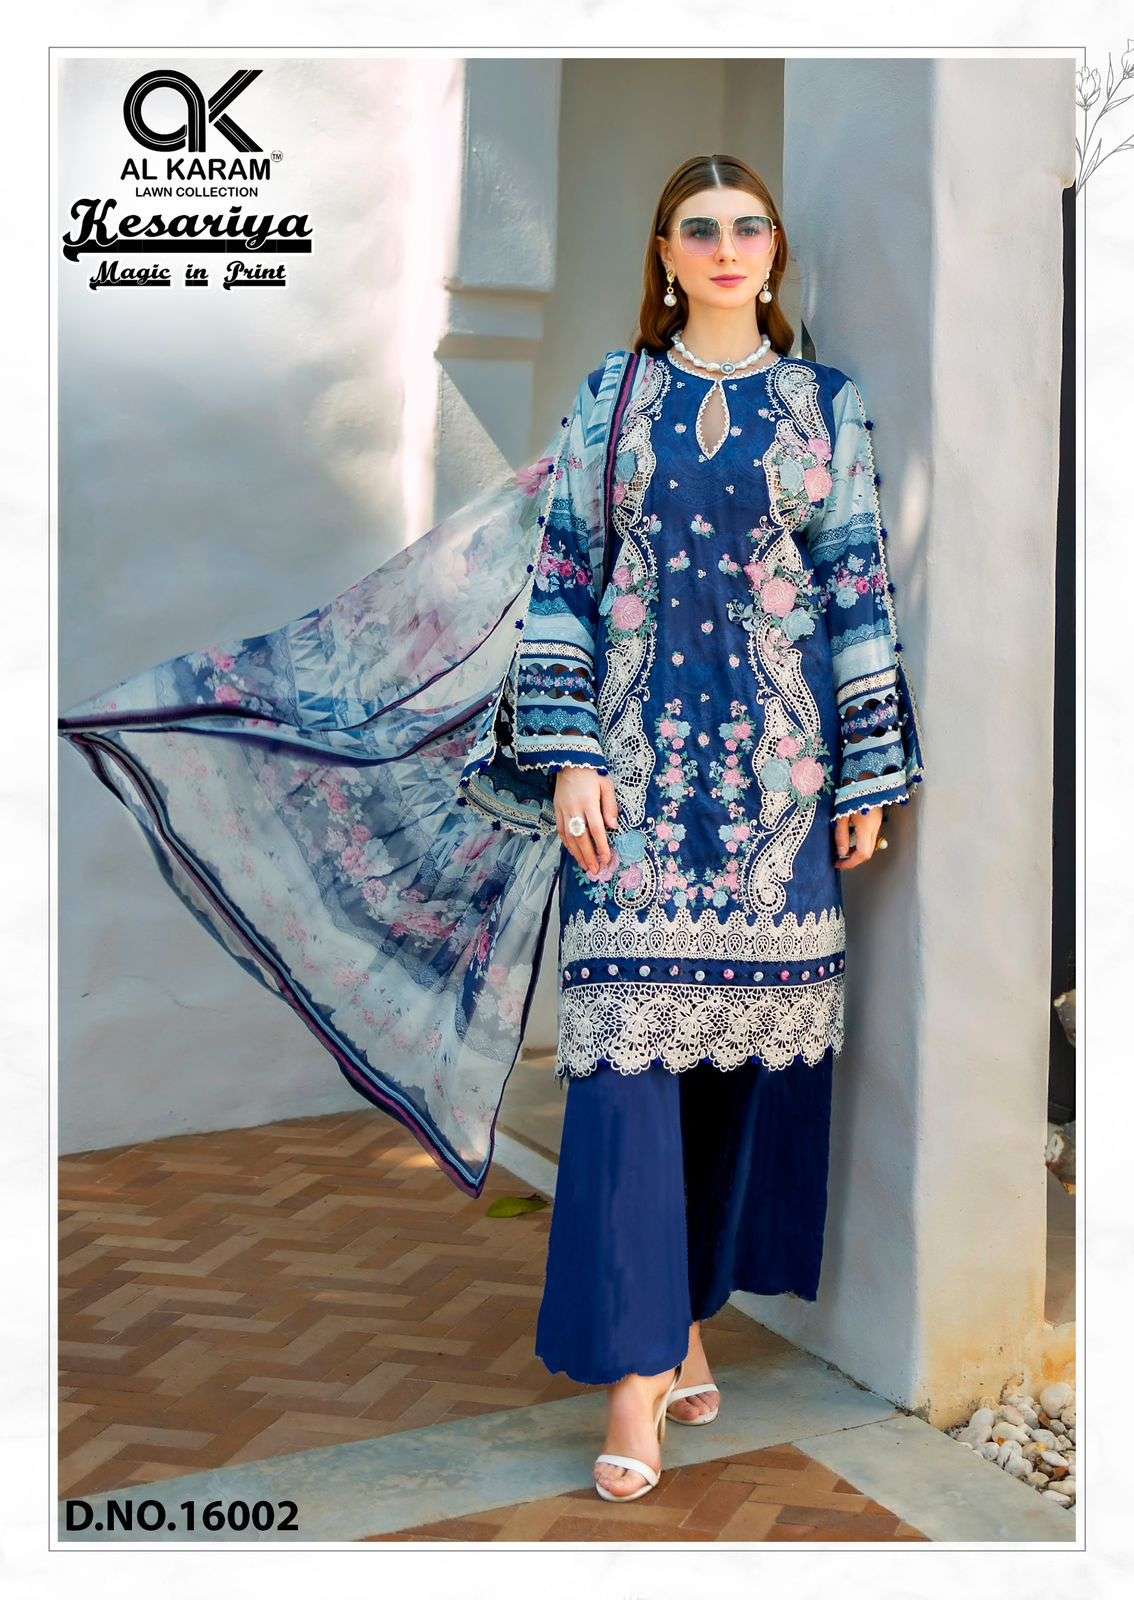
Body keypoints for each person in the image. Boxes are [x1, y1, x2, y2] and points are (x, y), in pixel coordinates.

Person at [58, 152, 926, 1506]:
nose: (724, 246)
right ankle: (636, 1374)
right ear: (663, 254)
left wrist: (866, 774)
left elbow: (856, 582)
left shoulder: (827, 409)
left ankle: (681, 1315)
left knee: (735, 1082)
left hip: (777, 790)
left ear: (773, 252)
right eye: (697, 227)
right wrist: (569, 755)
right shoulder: (613, 397)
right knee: (624, 1079)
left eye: (747, 226)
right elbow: (562, 582)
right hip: (628, 790)